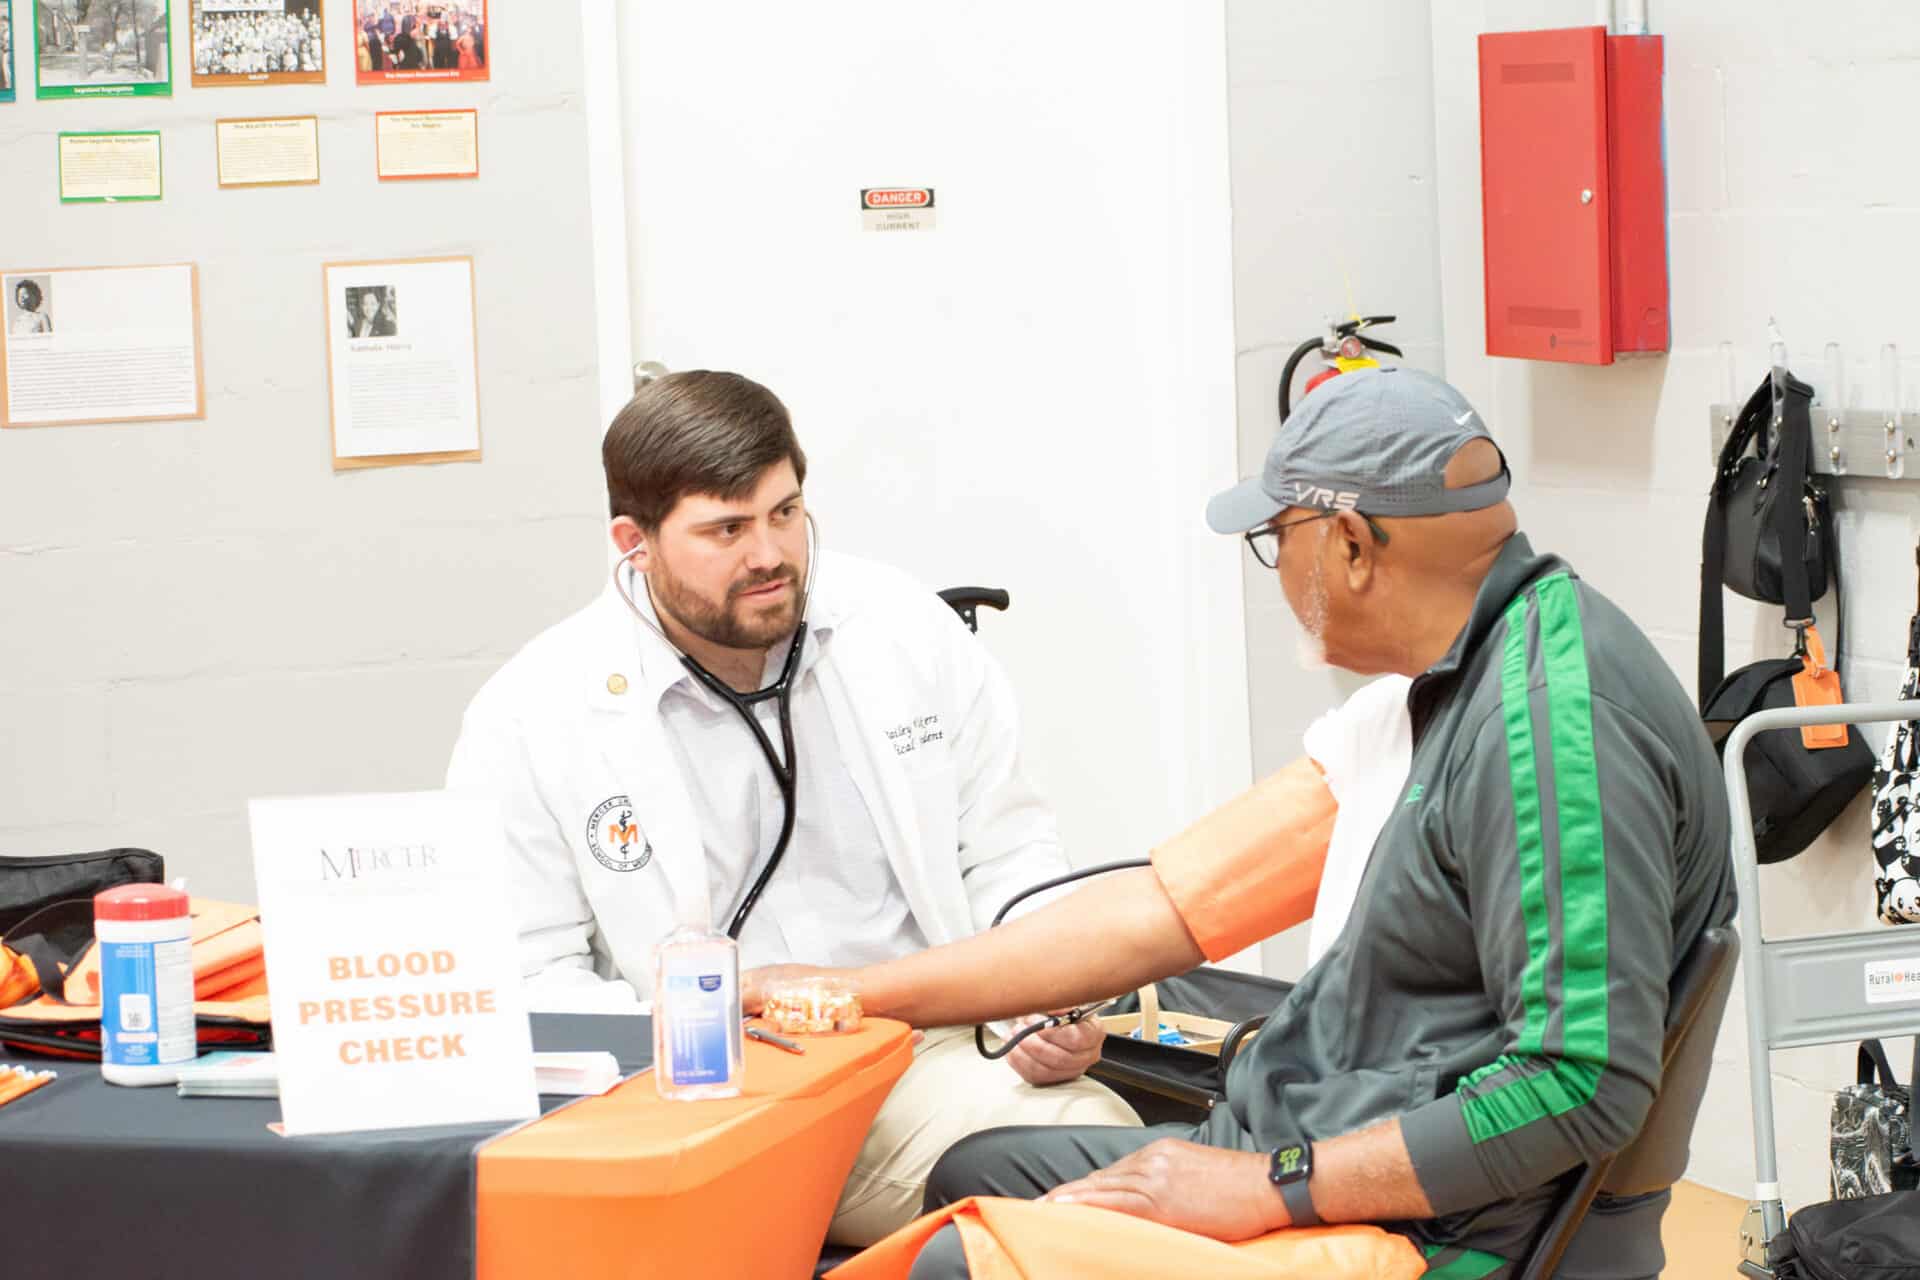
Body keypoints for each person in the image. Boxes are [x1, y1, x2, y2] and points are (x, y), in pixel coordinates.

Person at [748, 368, 1739, 1280]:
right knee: (977, 1171)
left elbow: (1578, 1082)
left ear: (1351, 545)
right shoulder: (1443, 688)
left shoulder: (1551, 732)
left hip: (1419, 1229)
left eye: (1277, 537)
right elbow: (1161, 912)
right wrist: (853, 990)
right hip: (1311, 1132)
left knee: (955, 1262)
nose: (1273, 569)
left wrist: (1270, 1185)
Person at [446, 371, 1140, 1245]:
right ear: (635, 543)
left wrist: (1043, 1004)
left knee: (1098, 1160)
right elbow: (526, 978)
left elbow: (1007, 851)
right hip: (704, 1097)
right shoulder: (533, 714)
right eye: (726, 530)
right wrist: (693, 1027)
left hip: (922, 1053)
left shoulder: (899, 626)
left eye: (785, 513)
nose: (769, 555)